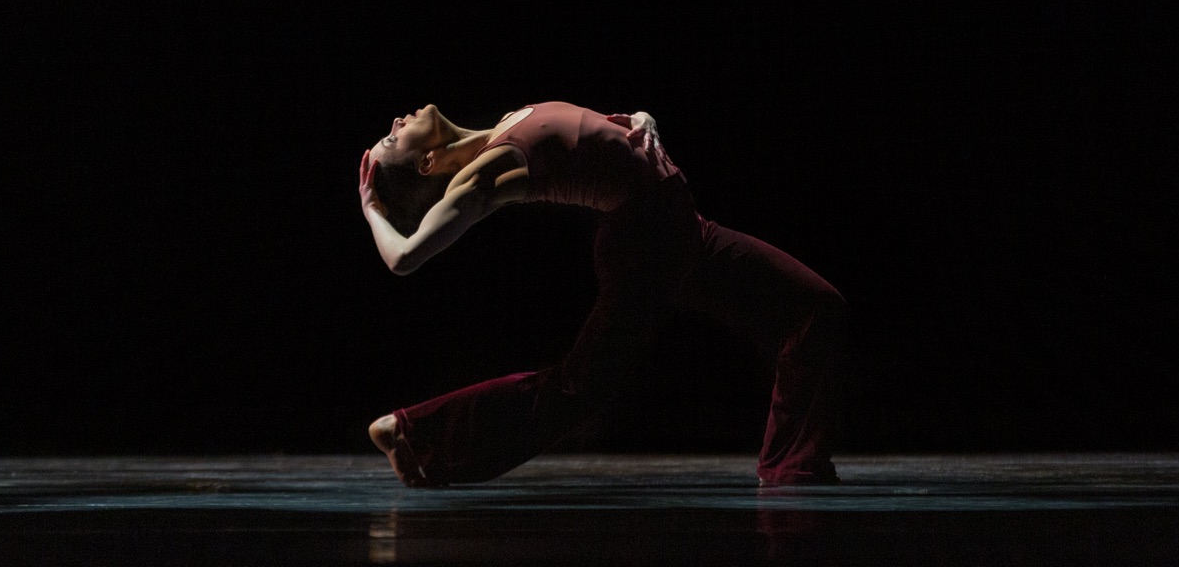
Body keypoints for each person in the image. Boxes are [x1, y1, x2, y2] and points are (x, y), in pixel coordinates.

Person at [357, 101, 846, 487]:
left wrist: (640, 118)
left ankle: (790, 469)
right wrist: (373, 207)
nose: (398, 121)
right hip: (647, 241)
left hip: (683, 233)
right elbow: (405, 257)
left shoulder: (509, 121)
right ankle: (414, 434)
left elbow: (601, 134)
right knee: (579, 388)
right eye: (391, 136)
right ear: (426, 163)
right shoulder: (486, 174)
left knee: (813, 309)